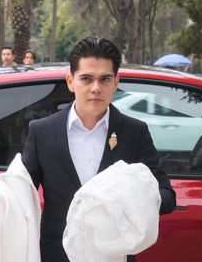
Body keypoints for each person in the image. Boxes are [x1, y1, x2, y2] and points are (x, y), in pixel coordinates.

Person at [21, 36, 176, 262]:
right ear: (70, 81)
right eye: (86, 78)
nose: (96, 88)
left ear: (116, 82)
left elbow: (167, 195)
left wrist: (126, 200)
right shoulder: (42, 131)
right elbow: (20, 192)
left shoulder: (134, 132)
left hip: (114, 255)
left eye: (105, 79)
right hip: (57, 255)